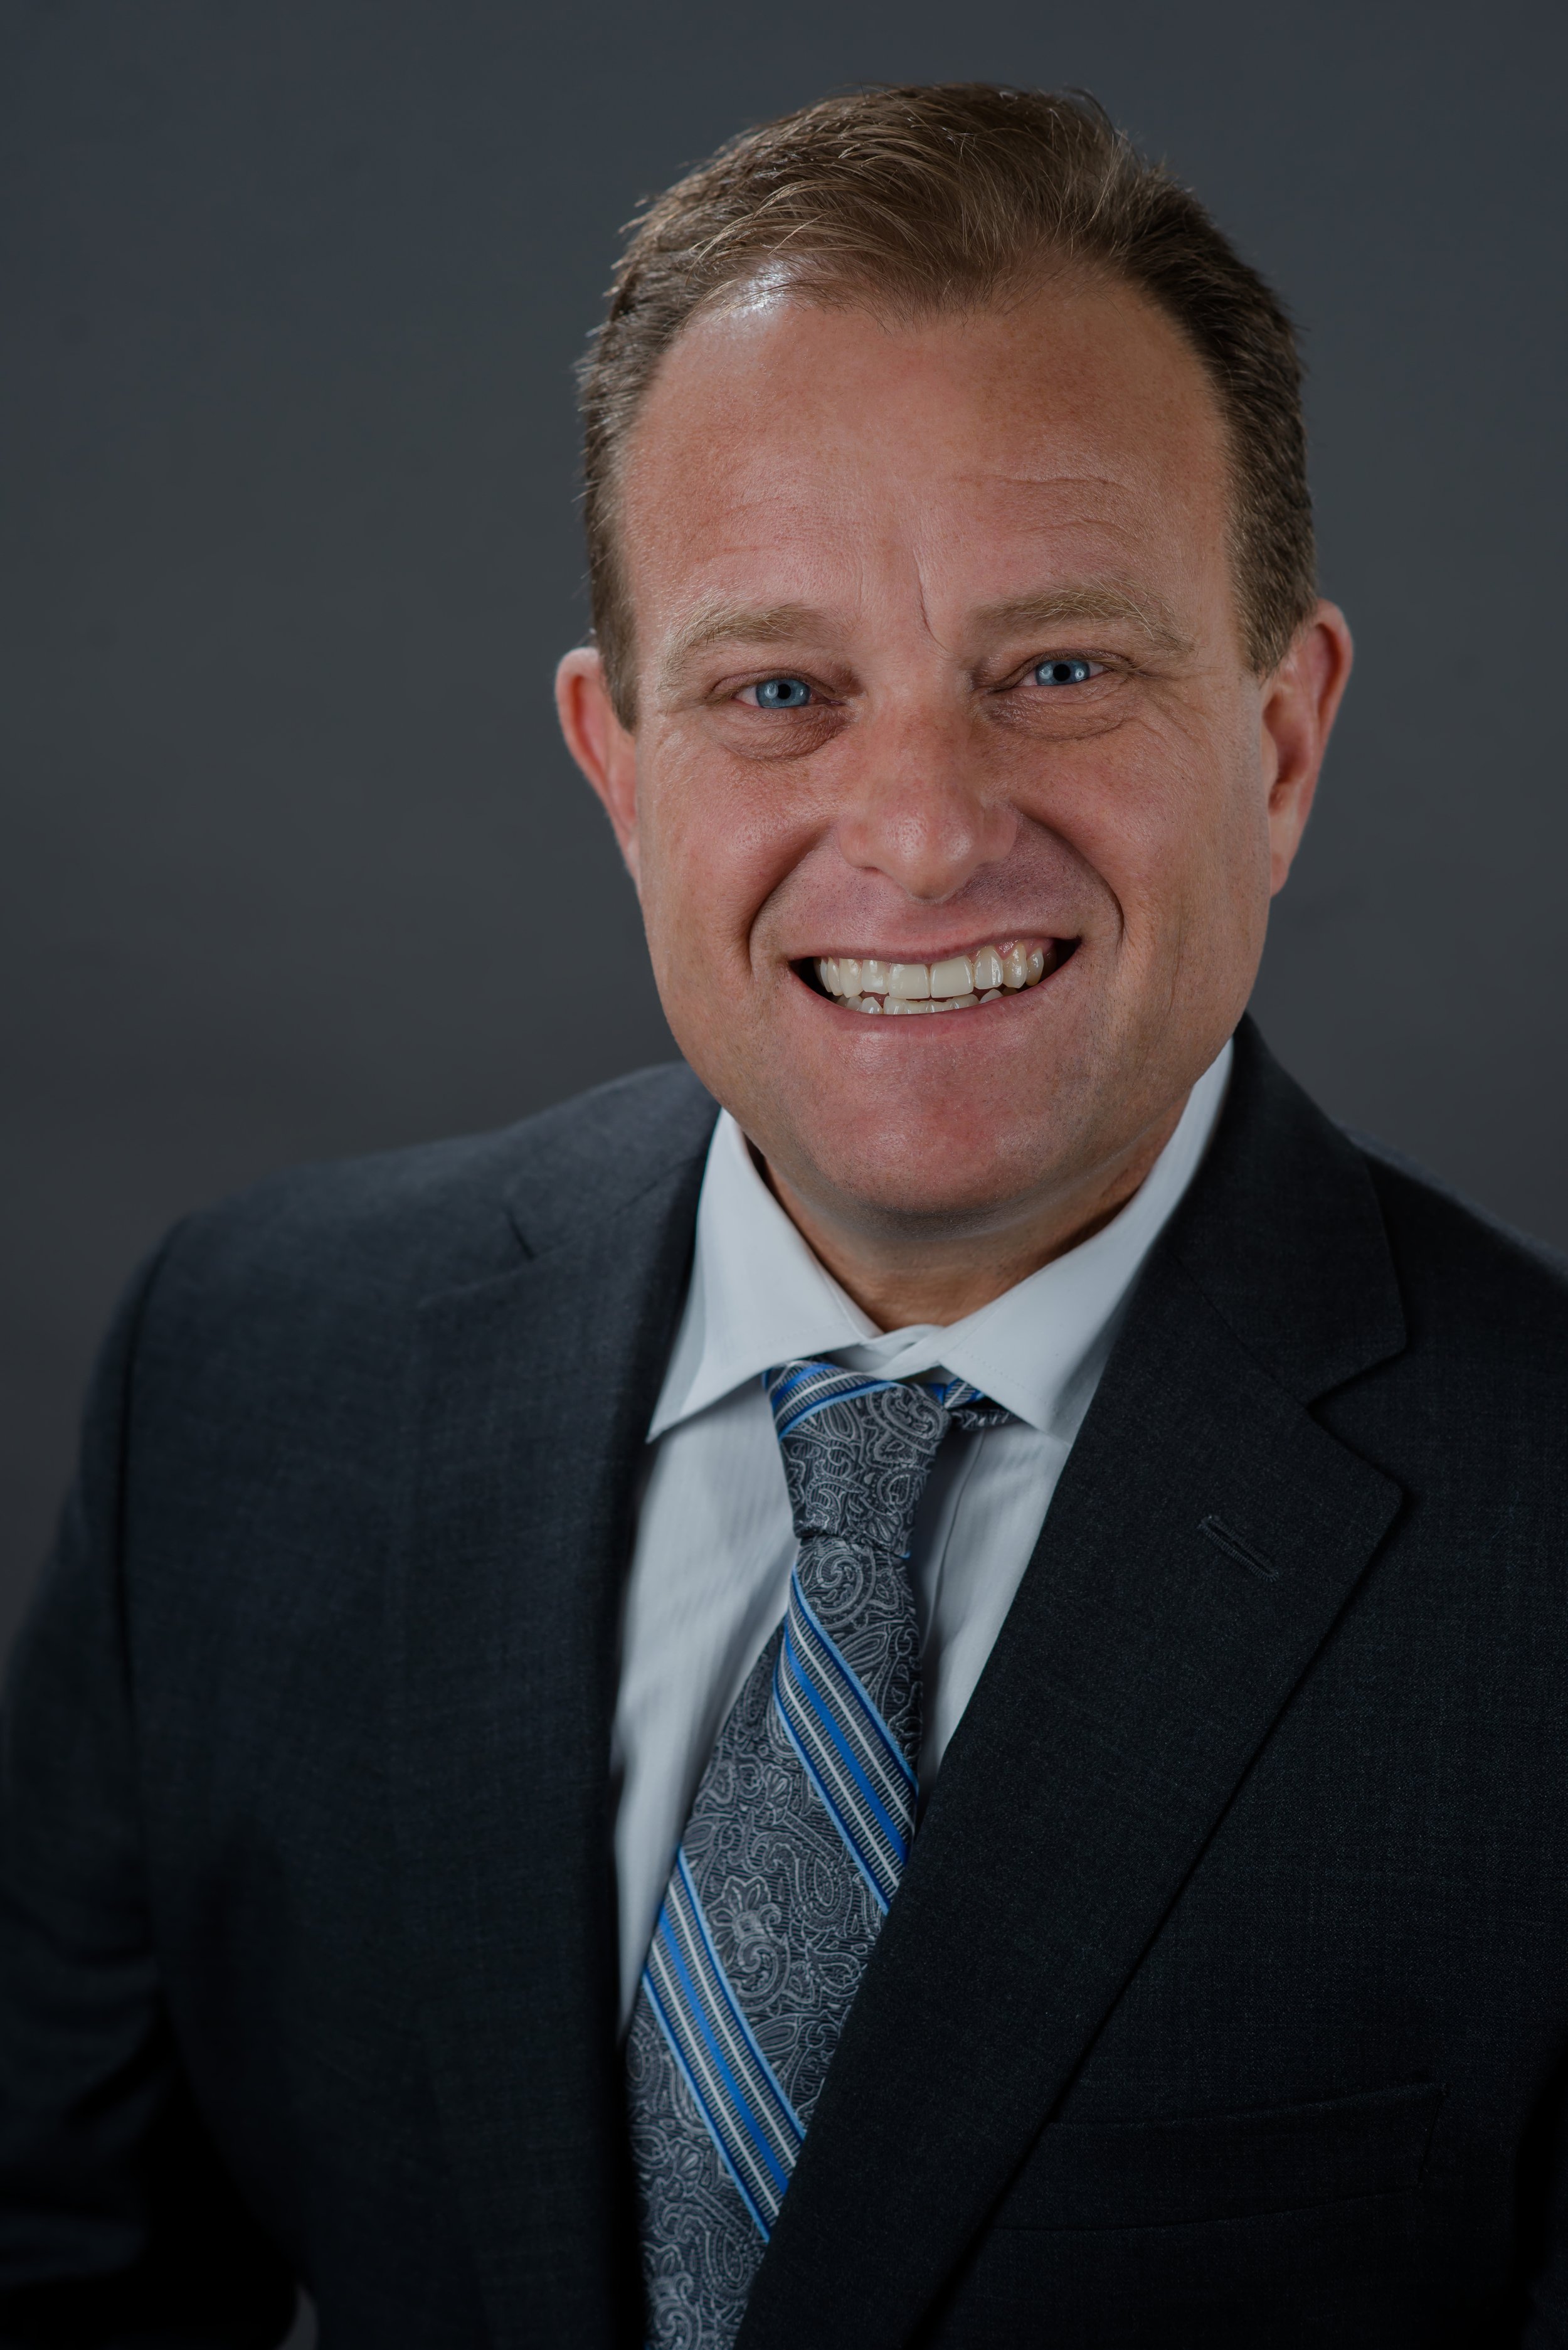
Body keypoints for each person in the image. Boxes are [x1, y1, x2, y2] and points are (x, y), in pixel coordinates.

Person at [3, 80, 1566, 2350]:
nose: (920, 832)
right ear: (617, 765)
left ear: (1282, 736)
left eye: (1057, 668)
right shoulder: (244, 1391)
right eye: (777, 691)